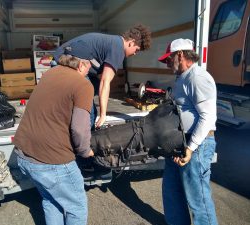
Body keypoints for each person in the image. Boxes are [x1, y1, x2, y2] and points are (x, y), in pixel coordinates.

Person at [13, 40, 97, 225]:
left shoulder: (49, 74)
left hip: (25, 156)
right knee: (77, 207)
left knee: (52, 200)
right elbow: (79, 129)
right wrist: (86, 151)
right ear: (82, 63)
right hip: (52, 162)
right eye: (90, 65)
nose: (90, 70)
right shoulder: (83, 84)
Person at [158, 38, 218, 225]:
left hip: (196, 146)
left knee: (198, 199)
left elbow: (207, 117)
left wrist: (190, 148)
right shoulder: (182, 78)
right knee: (172, 191)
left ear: (181, 55)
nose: (167, 64)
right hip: (179, 143)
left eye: (169, 59)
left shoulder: (197, 77)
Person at [54, 24, 151, 130]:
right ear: (131, 43)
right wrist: (103, 114)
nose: (135, 53)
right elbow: (105, 82)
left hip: (61, 59)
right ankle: (86, 140)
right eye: (136, 50)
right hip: (65, 61)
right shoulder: (118, 48)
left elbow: (100, 76)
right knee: (88, 112)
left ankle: (73, 109)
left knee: (94, 85)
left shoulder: (113, 42)